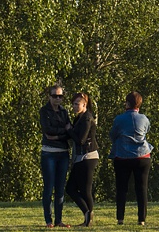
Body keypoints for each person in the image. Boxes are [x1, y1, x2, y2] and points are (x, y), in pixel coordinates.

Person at [109, 91, 153, 226]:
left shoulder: (119, 119)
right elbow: (147, 131)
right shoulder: (144, 118)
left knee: (122, 188)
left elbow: (113, 135)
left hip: (123, 156)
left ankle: (120, 218)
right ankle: (142, 219)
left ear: (127, 103)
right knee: (142, 188)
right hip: (142, 156)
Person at [64, 92, 99, 227]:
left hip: (88, 156)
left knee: (85, 189)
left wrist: (69, 130)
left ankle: (88, 218)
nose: (74, 106)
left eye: (77, 104)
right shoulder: (79, 118)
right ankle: (87, 213)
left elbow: (81, 140)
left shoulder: (86, 118)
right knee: (71, 188)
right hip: (80, 157)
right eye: (73, 103)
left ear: (85, 104)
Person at [40, 85, 71, 229]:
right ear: (49, 96)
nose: (58, 99)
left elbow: (69, 131)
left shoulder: (64, 112)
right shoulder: (44, 111)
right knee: (49, 187)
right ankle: (48, 220)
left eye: (60, 96)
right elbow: (47, 131)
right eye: (55, 96)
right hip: (49, 153)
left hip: (63, 153)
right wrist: (62, 133)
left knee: (60, 188)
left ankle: (59, 220)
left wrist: (57, 135)